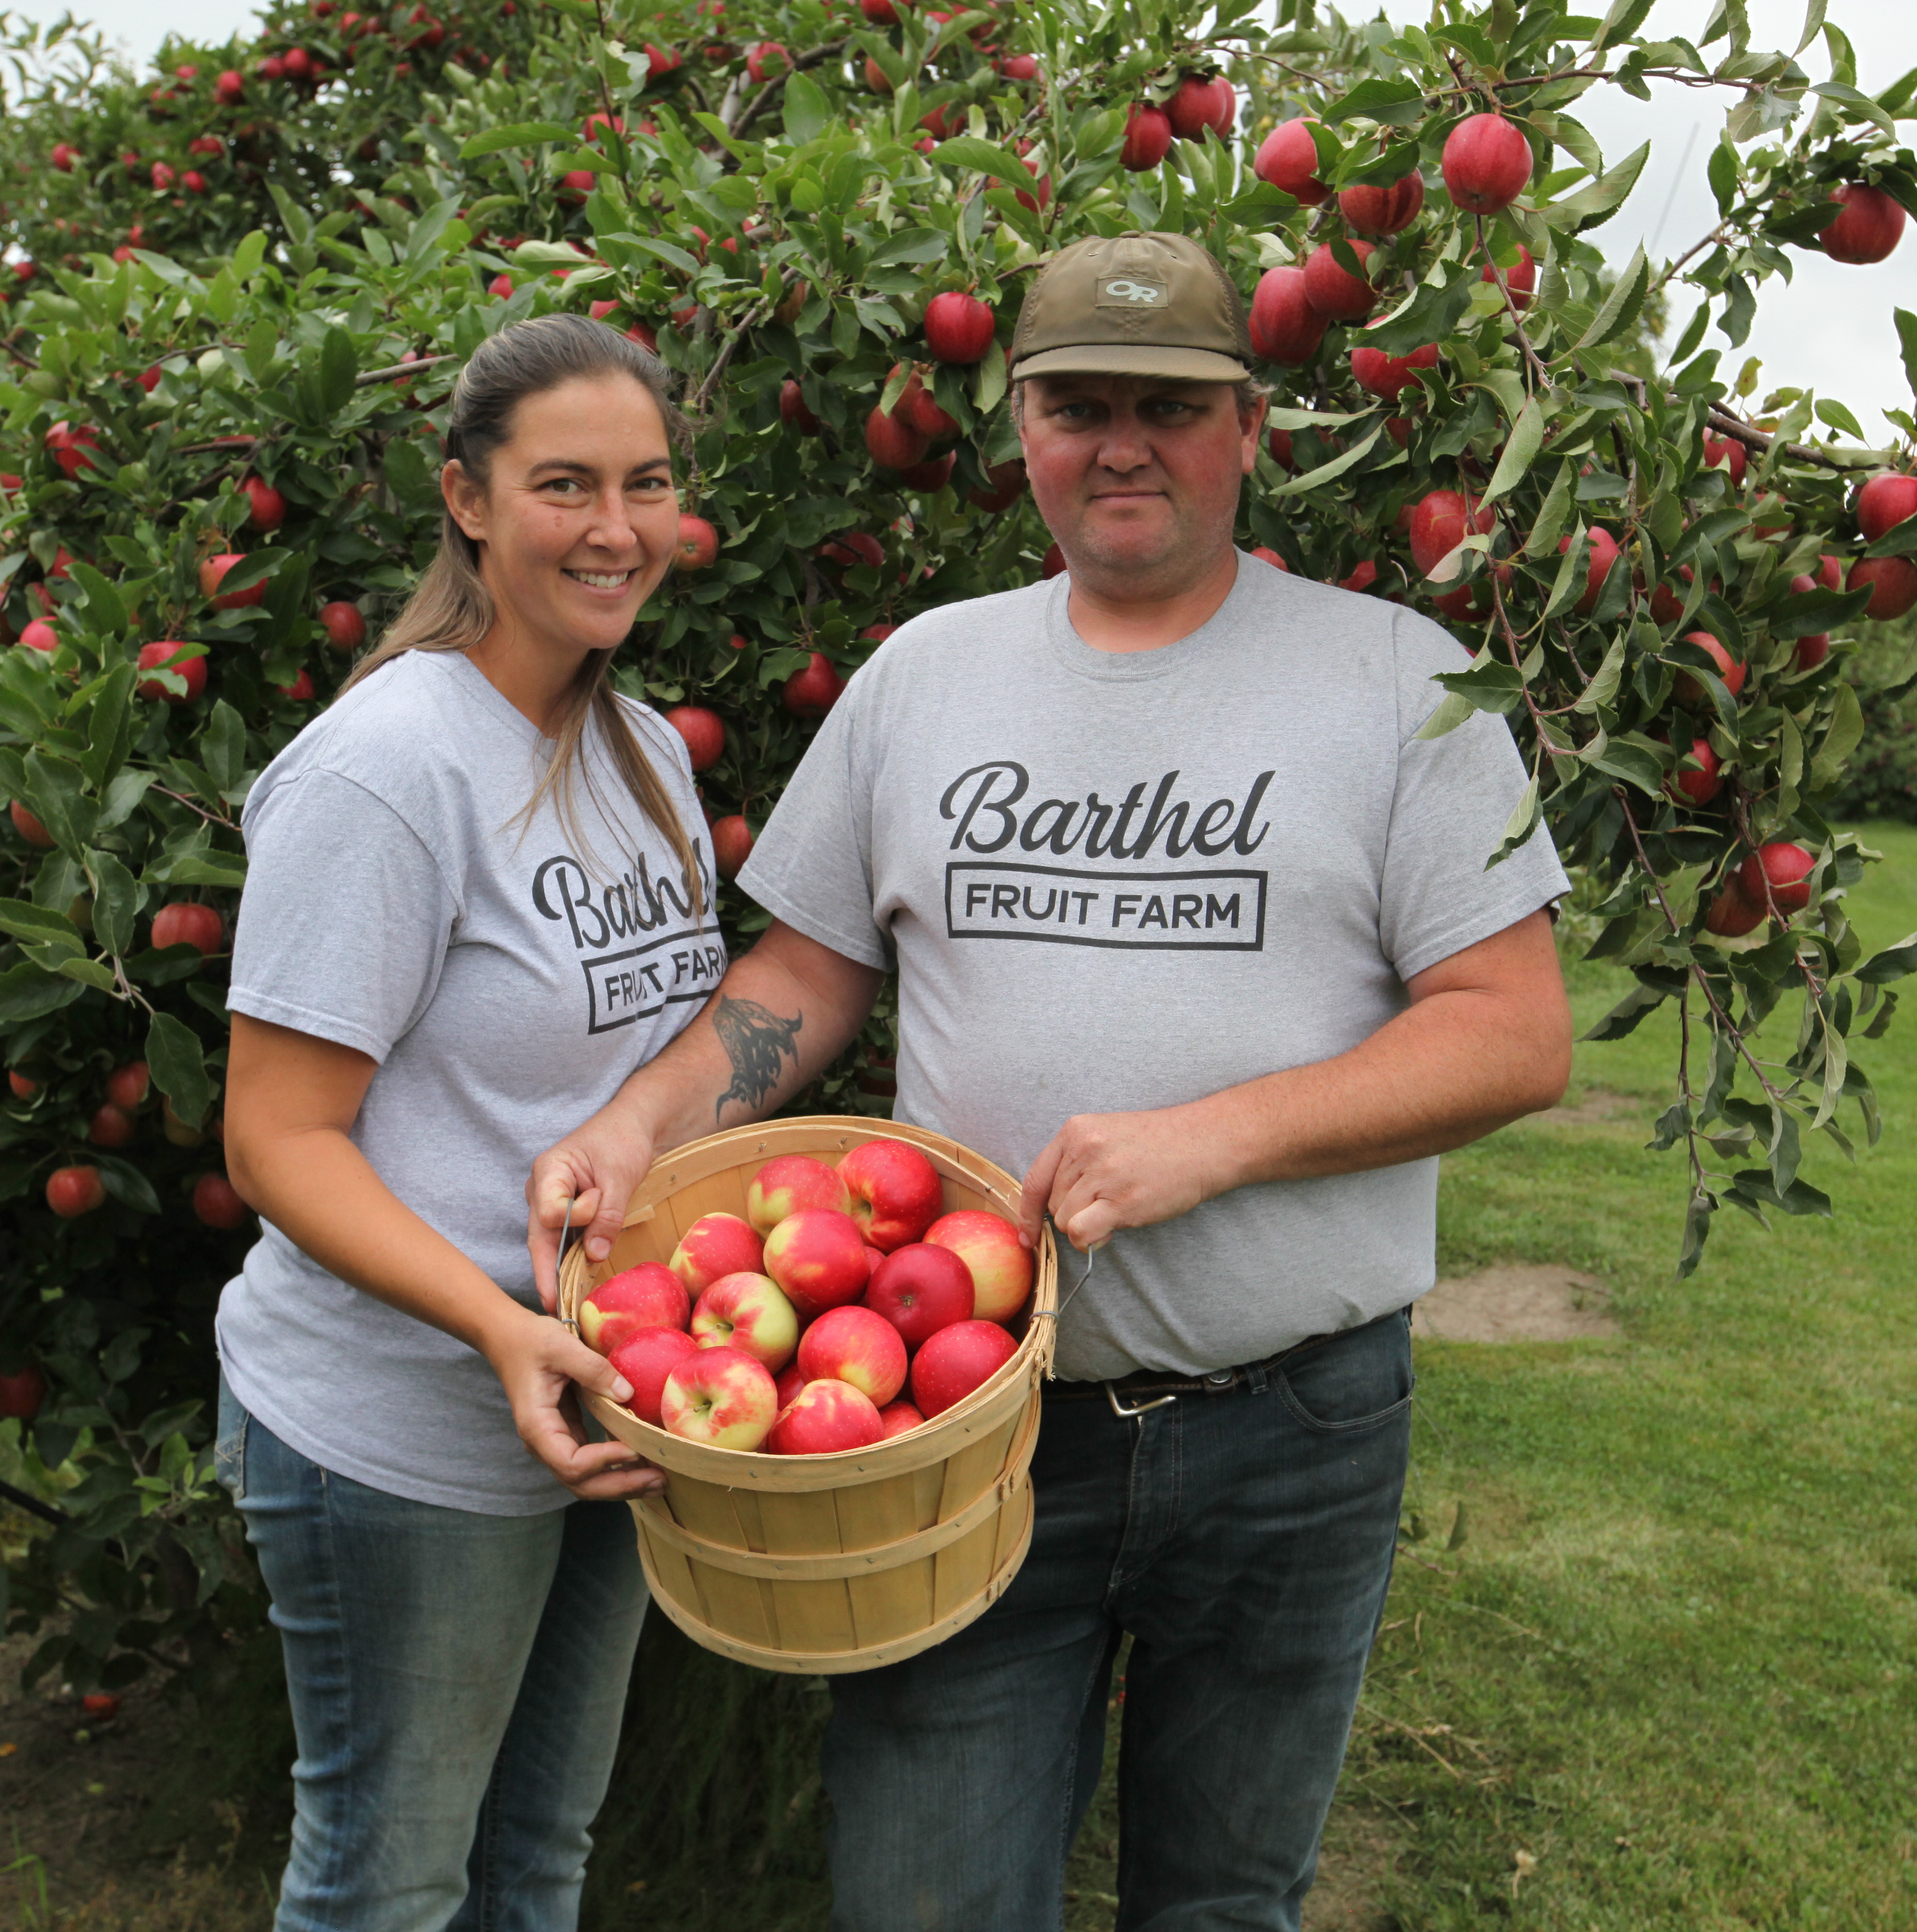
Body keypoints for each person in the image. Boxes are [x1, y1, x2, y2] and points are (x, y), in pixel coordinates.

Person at [525, 233, 1575, 1929]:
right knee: (927, 1902)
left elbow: (1515, 1028)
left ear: (1253, 428)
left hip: (1294, 1419)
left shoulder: (1396, 684)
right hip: (956, 1425)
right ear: (1021, 426)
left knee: (1225, 1902)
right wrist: (636, 1125)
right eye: (1079, 404)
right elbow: (803, 975)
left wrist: (1215, 1142)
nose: (1123, 443)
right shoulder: (927, 676)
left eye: (1171, 404)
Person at [214, 313, 707, 1932]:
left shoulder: (640, 749)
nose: (613, 528)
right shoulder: (389, 770)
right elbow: (279, 1141)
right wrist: (501, 1330)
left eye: (644, 484)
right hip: (408, 1427)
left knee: (539, 1865)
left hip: (604, 1402)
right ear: (469, 499)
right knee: (389, 1886)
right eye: (564, 483)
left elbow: (637, 1056)